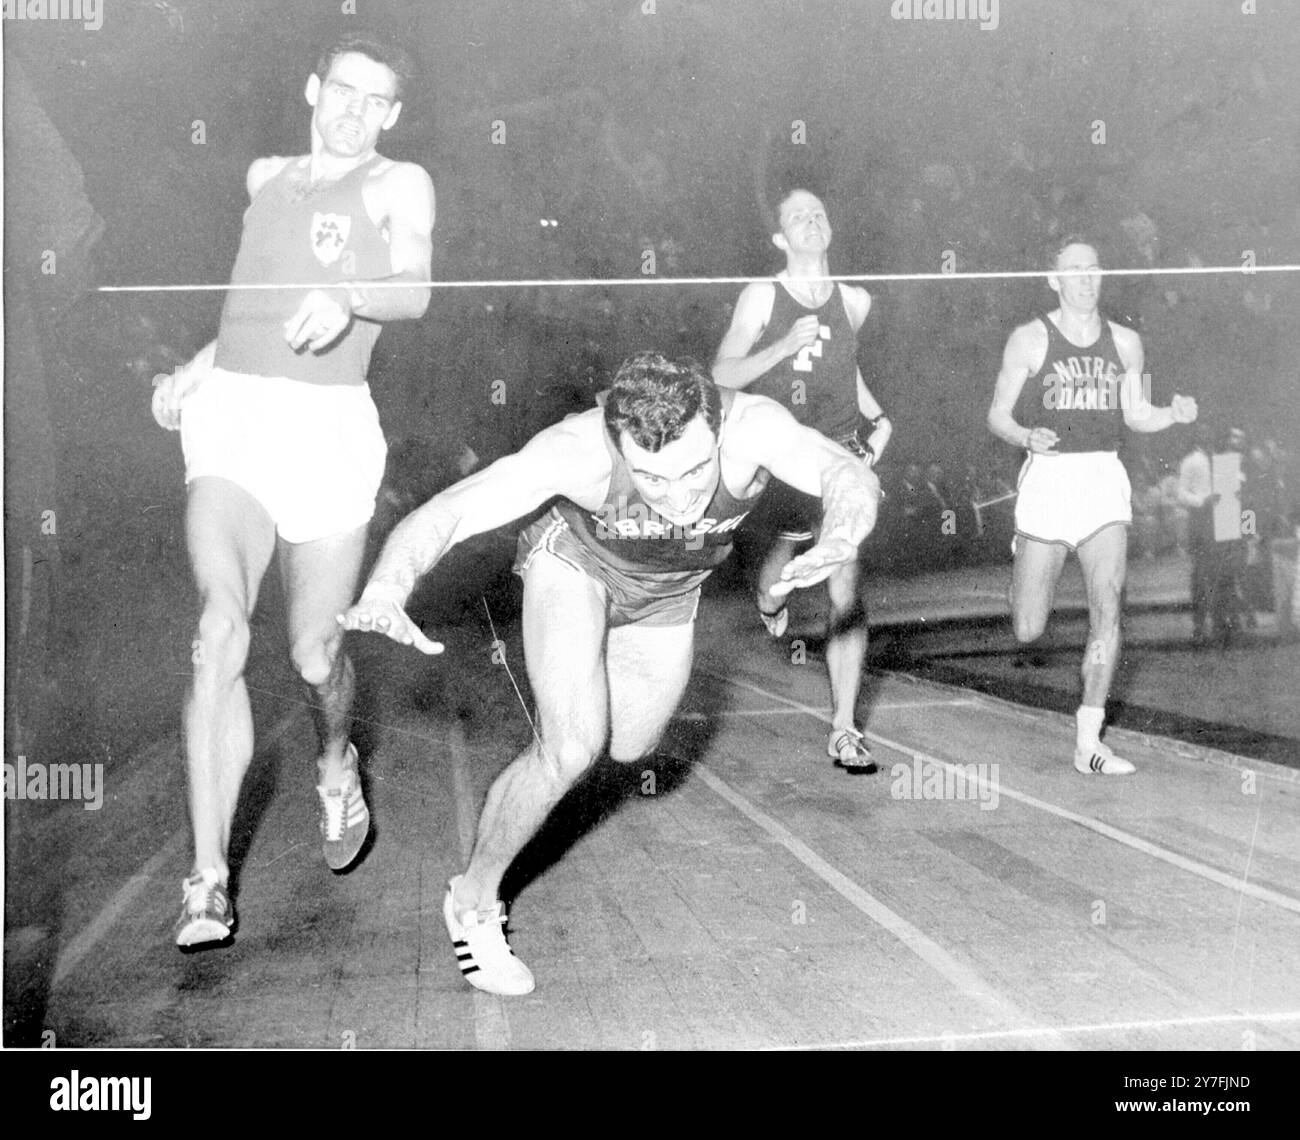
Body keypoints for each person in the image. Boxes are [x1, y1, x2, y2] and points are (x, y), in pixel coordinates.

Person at [340, 353, 881, 994]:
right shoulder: (577, 450)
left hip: (672, 587)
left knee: (630, 747)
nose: (679, 498)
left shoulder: (755, 426)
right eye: (652, 479)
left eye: (694, 471)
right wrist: (385, 588)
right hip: (576, 564)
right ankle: (475, 902)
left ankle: (591, 686)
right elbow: (451, 510)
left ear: (716, 430)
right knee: (571, 747)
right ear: (619, 443)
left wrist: (842, 532)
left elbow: (844, 471)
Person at [151, 32, 436, 946]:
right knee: (217, 631)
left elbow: (416, 288)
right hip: (235, 414)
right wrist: (199, 365)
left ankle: (335, 760)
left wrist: (350, 294)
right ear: (313, 87)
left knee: (316, 653)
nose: (353, 111)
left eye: (375, 100)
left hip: (329, 426)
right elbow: (252, 296)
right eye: (341, 91)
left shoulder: (400, 184)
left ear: (392, 113)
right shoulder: (263, 174)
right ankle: (207, 878)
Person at [986, 236, 1197, 775]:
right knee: (1028, 628)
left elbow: (1136, 415)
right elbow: (998, 416)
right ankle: (1025, 555)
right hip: (1049, 482)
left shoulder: (1125, 343)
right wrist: (1023, 436)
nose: (1085, 278)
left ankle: (1089, 739)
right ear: (1053, 280)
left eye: (1093, 269)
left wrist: (1170, 414)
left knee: (1108, 604)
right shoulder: (1030, 339)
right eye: (1073, 270)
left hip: (1102, 477)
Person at [711, 188, 891, 771]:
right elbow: (720, 374)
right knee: (776, 581)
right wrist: (783, 346)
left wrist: (877, 416)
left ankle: (843, 729)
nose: (811, 222)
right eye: (797, 217)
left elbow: (847, 365)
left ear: (829, 228)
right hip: (784, 452)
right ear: (780, 239)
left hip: (839, 452)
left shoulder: (855, 300)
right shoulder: (763, 295)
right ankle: (770, 601)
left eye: (819, 213)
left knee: (845, 579)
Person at [1176, 421, 1218, 644]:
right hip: (1201, 521)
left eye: (1209, 431)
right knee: (1201, 575)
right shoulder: (1191, 461)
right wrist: (1202, 500)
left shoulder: (1221, 459)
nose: (1206, 435)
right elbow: (1181, 494)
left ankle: (1225, 622)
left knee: (1222, 572)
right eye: (1202, 432)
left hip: (1221, 521)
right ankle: (1199, 624)